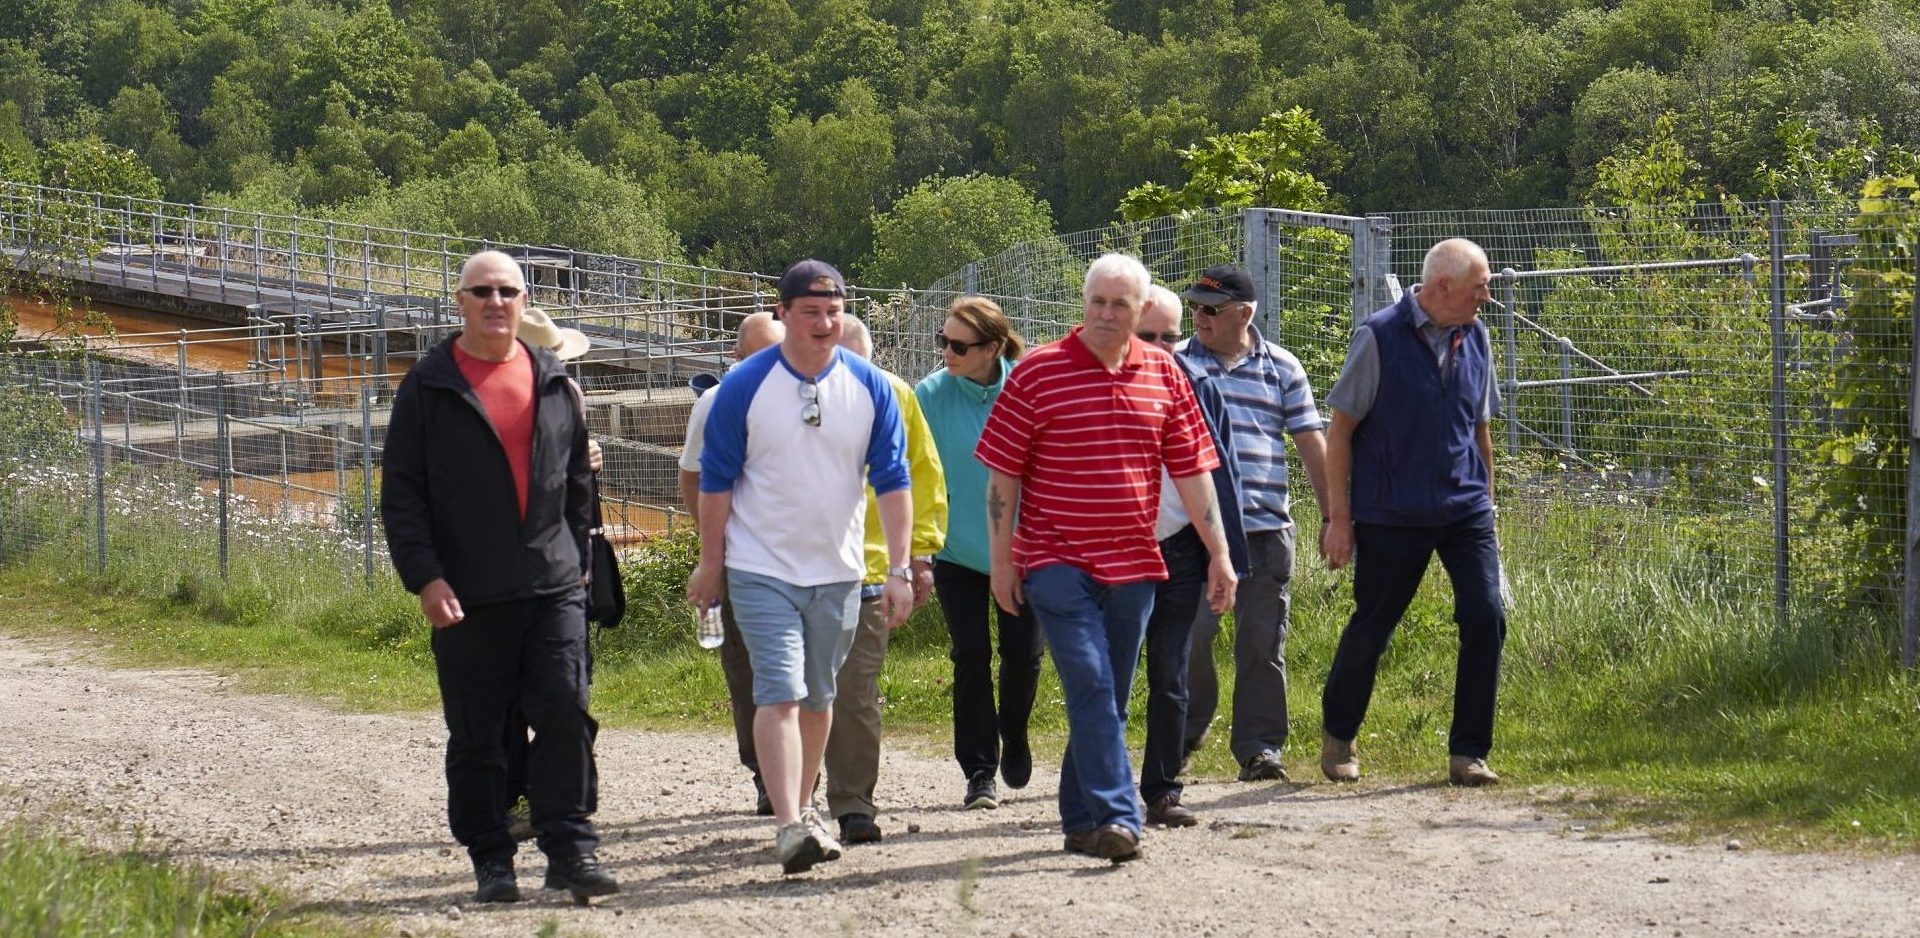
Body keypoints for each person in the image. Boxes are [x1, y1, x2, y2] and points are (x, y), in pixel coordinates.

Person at [976, 253, 1237, 864]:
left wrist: (1220, 555)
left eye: (1120, 304)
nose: (1106, 313)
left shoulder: (1167, 377)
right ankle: (1121, 814)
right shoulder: (1038, 373)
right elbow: (1001, 478)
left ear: (1141, 310)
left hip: (1136, 567)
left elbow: (1195, 475)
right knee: (1092, 686)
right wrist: (1001, 562)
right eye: (1097, 301)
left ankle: (1080, 820)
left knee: (1109, 698)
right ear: (1084, 302)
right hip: (1054, 559)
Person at [380, 251, 618, 903]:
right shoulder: (429, 386)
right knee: (481, 732)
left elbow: (575, 484)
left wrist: (575, 570)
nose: (494, 301)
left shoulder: (551, 379)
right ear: (460, 301)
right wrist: (425, 578)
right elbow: (401, 494)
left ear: (523, 300)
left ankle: (570, 846)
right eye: (481, 291)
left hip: (552, 587)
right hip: (468, 592)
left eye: (506, 291)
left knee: (565, 713)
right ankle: (492, 857)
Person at [685, 259, 915, 875]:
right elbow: (715, 481)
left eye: (833, 310)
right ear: (782, 314)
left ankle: (806, 805)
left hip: (839, 571)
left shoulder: (870, 387)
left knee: (819, 698)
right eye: (809, 311)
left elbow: (893, 480)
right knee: (780, 692)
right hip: (760, 568)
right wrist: (713, 564)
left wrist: (898, 568)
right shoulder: (742, 387)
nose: (823, 321)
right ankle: (789, 823)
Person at [1319, 237, 1507, 788]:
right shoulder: (1378, 337)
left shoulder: (1478, 337)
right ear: (1442, 286)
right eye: (1480, 287)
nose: (1486, 298)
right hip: (1391, 511)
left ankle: (1468, 751)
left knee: (1486, 616)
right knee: (1374, 624)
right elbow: (1340, 431)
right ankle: (1339, 733)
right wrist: (1339, 518)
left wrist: (1488, 504)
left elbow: (1481, 429)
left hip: (1465, 507)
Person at [1176, 265, 1333, 782]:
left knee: (1263, 644)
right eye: (1195, 305)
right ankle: (1187, 728)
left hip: (1266, 529)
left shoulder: (1281, 366)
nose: (1198, 316)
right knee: (1191, 637)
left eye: (1211, 309)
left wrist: (1335, 514)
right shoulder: (1176, 363)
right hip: (1195, 533)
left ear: (1245, 314)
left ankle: (1260, 748)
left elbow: (1311, 442)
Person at [914, 296, 1043, 812]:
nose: (946, 350)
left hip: (1023, 550)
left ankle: (1014, 732)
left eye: (959, 344)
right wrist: (918, 548)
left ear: (992, 347)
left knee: (1023, 656)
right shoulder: (930, 394)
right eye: (942, 340)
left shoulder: (1027, 387)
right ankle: (979, 771)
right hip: (957, 551)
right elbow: (916, 472)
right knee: (970, 655)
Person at [821, 314, 946, 845]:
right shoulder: (792, 392)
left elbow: (923, 474)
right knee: (795, 691)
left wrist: (919, 557)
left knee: (856, 692)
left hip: (869, 568)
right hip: (797, 567)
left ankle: (853, 805)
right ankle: (789, 794)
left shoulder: (894, 395)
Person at [1133, 285, 1249, 828]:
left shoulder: (1198, 388)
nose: (1159, 348)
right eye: (1147, 336)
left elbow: (1221, 480)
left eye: (1169, 337)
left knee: (1170, 669)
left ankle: (1161, 789)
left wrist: (1223, 558)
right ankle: (1099, 786)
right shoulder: (1092, 386)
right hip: (1112, 548)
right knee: (1105, 672)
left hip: (1179, 547)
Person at [675, 310, 786, 817]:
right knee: (745, 671)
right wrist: (711, 551)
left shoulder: (809, 397)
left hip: (800, 559)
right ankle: (765, 773)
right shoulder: (715, 402)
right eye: (755, 355)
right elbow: (692, 478)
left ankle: (803, 769)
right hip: (740, 559)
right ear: (734, 358)